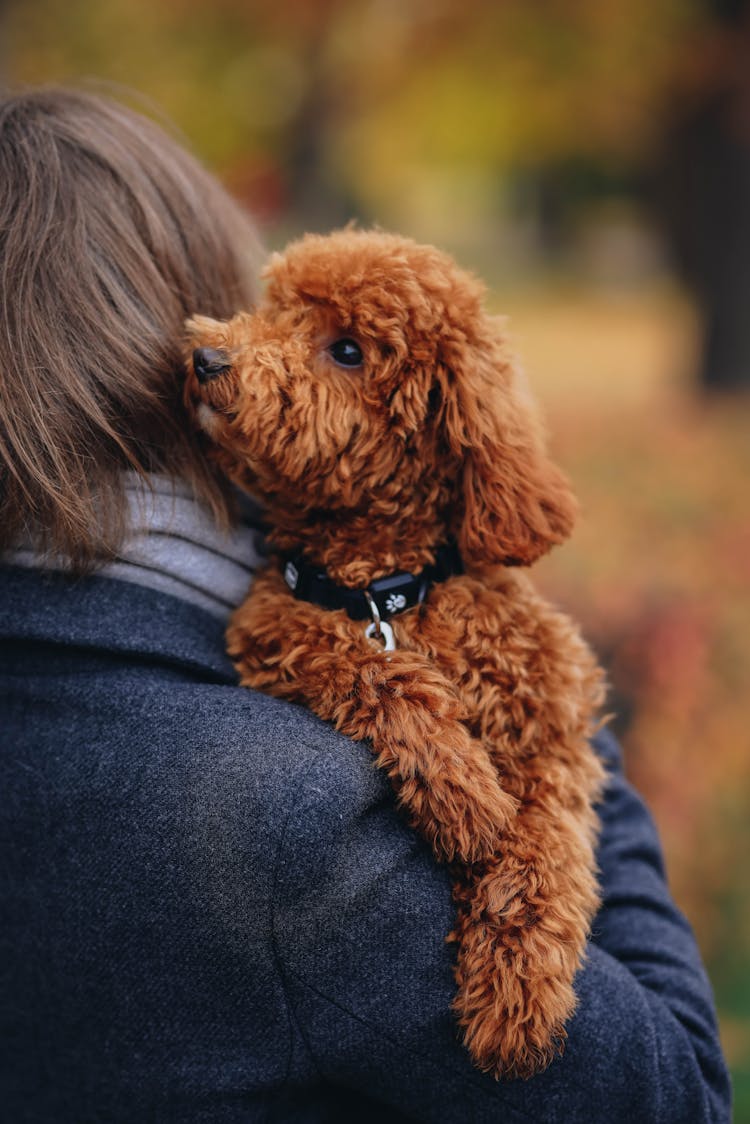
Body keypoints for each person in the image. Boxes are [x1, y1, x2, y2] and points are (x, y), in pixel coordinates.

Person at [0, 87, 731, 1123]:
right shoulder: (285, 815)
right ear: (155, 362)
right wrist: (566, 743)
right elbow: (677, 1096)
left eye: (330, 342)